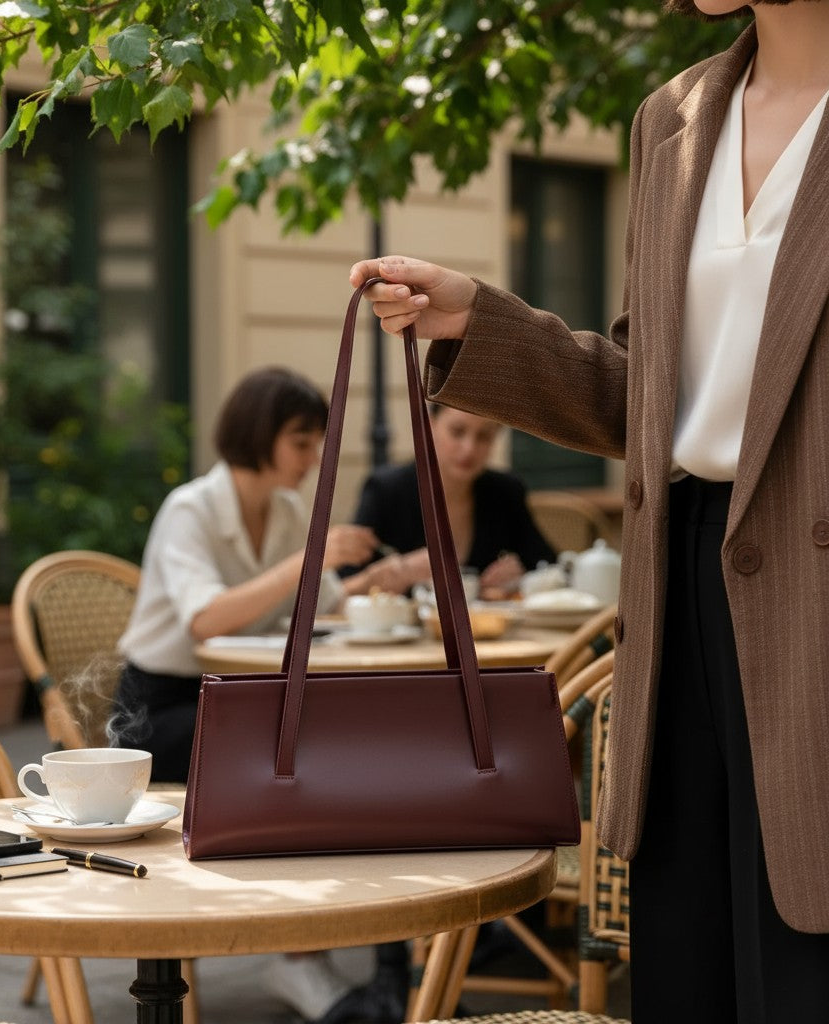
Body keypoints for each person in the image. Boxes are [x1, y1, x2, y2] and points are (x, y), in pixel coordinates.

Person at [346, 3, 829, 1020]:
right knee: (688, 958)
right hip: (677, 587)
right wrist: (477, 322)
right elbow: (644, 397)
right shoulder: (675, 116)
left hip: (815, 593)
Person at [111, 366, 398, 1023]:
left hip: (239, 701)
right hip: (156, 714)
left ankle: (322, 950)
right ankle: (299, 956)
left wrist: (384, 575)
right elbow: (206, 618)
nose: (312, 458)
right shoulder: (191, 510)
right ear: (259, 435)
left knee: (331, 744)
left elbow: (320, 601)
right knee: (302, 759)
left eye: (317, 442)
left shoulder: (288, 511)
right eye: (301, 442)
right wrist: (308, 558)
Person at [345, 403, 554, 598]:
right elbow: (341, 586)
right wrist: (398, 572)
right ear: (430, 426)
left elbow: (550, 565)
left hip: (484, 625)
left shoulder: (505, 492)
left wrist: (522, 575)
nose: (469, 448)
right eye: (457, 432)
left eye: (484, 436)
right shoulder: (385, 490)